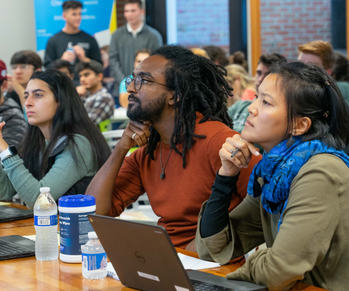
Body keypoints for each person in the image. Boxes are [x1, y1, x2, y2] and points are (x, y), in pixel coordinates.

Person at [196, 61, 349, 291]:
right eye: (257, 97)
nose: (252, 107)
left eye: (266, 102)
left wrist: (250, 265)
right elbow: (214, 246)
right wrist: (225, 175)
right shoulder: (276, 172)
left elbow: (279, 270)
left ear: (299, 125)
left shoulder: (319, 172)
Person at [85, 45, 262, 251]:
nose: (131, 88)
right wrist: (121, 148)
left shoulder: (220, 141)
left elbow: (267, 207)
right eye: (132, 79)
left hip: (212, 268)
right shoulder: (148, 152)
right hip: (167, 259)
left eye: (144, 80)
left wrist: (204, 247)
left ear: (175, 95)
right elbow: (94, 213)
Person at [0, 70, 111, 207]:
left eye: (38, 95)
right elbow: (0, 194)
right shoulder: (36, 141)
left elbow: (39, 201)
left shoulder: (78, 144)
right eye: (26, 96)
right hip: (47, 227)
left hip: (76, 228)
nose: (27, 103)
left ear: (61, 101)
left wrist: (5, 150)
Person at [298, 41, 349, 124]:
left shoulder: (333, 99)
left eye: (311, 66)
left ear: (327, 72)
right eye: (299, 64)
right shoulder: (296, 96)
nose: (302, 70)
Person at [109, 0, 163, 99]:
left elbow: (157, 63)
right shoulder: (116, 35)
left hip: (146, 91)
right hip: (121, 91)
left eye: (133, 10)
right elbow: (113, 60)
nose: (129, 14)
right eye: (126, 11)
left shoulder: (154, 36)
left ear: (142, 11)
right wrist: (125, 81)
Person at [42, 0, 102, 86]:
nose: (78, 17)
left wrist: (84, 59)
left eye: (80, 14)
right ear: (64, 16)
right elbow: (47, 68)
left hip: (85, 88)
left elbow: (99, 67)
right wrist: (61, 60)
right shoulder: (53, 40)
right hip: (61, 86)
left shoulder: (90, 39)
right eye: (74, 14)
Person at [229, 53, 286, 133]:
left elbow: (258, 136)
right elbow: (219, 127)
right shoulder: (239, 105)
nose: (260, 79)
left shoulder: (270, 113)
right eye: (259, 73)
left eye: (267, 75)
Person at [76, 61, 115, 125]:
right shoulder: (84, 97)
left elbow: (88, 124)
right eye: (80, 76)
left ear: (99, 76)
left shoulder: (104, 98)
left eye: (86, 75)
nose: (82, 79)